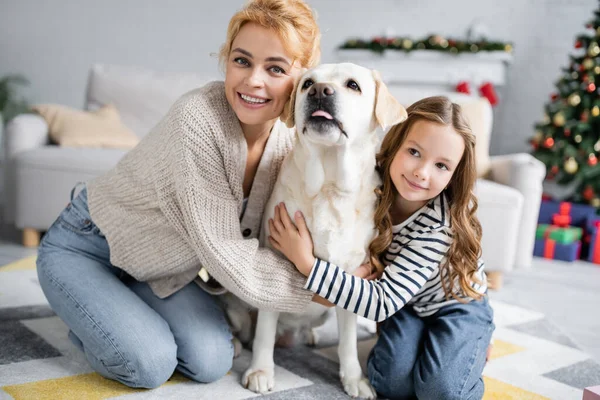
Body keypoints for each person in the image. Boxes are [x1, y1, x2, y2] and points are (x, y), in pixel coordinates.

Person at [36, 0, 321, 389]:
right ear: (226, 61)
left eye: (275, 68)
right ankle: (91, 322)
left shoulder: (292, 137)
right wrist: (322, 290)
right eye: (241, 61)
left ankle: (117, 313)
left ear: (303, 74)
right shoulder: (197, 119)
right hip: (85, 245)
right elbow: (225, 251)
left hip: (156, 270)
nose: (254, 80)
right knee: (148, 365)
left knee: (209, 362)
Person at [269, 96, 495, 400]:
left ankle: (473, 341)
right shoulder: (370, 182)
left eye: (441, 166)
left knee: (442, 391)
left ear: (454, 175)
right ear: (395, 145)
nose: (422, 173)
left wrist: (307, 263)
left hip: (456, 303)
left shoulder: (438, 228)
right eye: (414, 152)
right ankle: (435, 345)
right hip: (406, 304)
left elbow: (381, 301)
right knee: (390, 383)